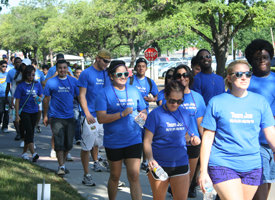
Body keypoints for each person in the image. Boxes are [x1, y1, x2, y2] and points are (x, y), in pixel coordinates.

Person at [198, 60, 275, 200]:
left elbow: (270, 133)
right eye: (239, 74)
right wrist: (203, 171)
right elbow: (207, 139)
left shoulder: (260, 102)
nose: (244, 77)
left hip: (252, 165)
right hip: (223, 162)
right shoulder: (216, 102)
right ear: (229, 77)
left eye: (248, 74)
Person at [95, 60, 147, 200]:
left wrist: (144, 115)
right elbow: (101, 118)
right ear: (111, 76)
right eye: (119, 74)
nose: (123, 76)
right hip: (114, 141)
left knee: (134, 175)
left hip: (134, 138)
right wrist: (121, 114)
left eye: (126, 73)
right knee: (115, 176)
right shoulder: (103, 93)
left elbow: (143, 109)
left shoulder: (134, 90)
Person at [143, 80, 200, 200]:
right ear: (165, 96)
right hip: (159, 164)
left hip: (181, 163)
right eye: (171, 100)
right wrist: (150, 158)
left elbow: (184, 136)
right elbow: (147, 141)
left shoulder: (184, 113)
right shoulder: (155, 114)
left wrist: (192, 140)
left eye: (179, 101)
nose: (175, 104)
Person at [243, 39, 275, 200]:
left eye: (265, 57)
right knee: (259, 191)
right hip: (254, 143)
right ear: (251, 61)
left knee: (267, 184)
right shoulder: (244, 81)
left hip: (273, 144)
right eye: (257, 57)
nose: (262, 60)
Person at [77, 49, 111, 186]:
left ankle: (114, 176)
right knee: (87, 146)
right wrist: (87, 113)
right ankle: (86, 174)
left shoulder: (108, 74)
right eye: (105, 61)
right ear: (97, 58)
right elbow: (82, 95)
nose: (107, 64)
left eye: (109, 62)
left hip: (105, 116)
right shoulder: (86, 74)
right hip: (91, 116)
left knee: (109, 145)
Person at [173, 65, 206, 198]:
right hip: (175, 143)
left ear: (190, 77)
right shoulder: (169, 96)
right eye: (179, 75)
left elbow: (201, 123)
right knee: (177, 177)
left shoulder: (197, 97)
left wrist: (205, 142)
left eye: (185, 75)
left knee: (189, 179)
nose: (182, 78)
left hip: (194, 143)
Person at [43, 60, 79, 175]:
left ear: (67, 69)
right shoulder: (51, 82)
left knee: (68, 144)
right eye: (60, 68)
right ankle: (61, 166)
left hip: (70, 116)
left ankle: (63, 164)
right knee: (59, 142)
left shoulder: (73, 81)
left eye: (64, 68)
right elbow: (46, 99)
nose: (62, 70)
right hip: (56, 116)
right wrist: (45, 115)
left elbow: (79, 96)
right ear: (56, 69)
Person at [127, 57, 159, 170]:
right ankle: (131, 159)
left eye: (143, 66)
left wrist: (151, 100)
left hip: (144, 115)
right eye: (139, 66)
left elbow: (157, 96)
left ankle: (145, 161)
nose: (141, 68)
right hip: (130, 114)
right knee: (132, 137)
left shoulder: (149, 82)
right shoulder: (130, 80)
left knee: (145, 137)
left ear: (146, 68)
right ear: (136, 67)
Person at [14, 65, 43, 162]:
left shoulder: (37, 84)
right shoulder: (21, 85)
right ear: (26, 75)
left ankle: (24, 153)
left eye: (33, 75)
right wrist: (17, 115)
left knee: (30, 133)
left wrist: (39, 98)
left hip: (34, 111)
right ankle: (34, 153)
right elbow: (17, 101)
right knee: (29, 131)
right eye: (29, 75)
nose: (31, 77)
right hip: (24, 112)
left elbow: (41, 96)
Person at [5, 57, 23, 140]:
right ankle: (18, 132)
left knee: (22, 115)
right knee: (14, 115)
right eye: (16, 62)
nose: (18, 64)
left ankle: (23, 131)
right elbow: (8, 86)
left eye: (19, 62)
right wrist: (6, 98)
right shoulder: (11, 72)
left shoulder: (24, 72)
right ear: (13, 63)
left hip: (23, 97)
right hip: (14, 97)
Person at [31, 59, 45, 134]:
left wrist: (42, 94)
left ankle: (37, 123)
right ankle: (32, 123)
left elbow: (43, 83)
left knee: (39, 110)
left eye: (33, 65)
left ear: (36, 65)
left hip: (38, 94)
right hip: (30, 94)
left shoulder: (40, 73)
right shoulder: (28, 73)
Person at [0, 60, 10, 133]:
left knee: (7, 112)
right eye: (3, 66)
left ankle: (5, 127)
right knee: (0, 112)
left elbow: (11, 85)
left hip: (8, 96)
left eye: (6, 66)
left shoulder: (8, 74)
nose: (5, 68)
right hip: (0, 96)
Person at [73, 67, 82, 145]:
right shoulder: (73, 81)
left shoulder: (85, 81)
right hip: (75, 105)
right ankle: (78, 138)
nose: (79, 74)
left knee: (82, 123)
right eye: (77, 72)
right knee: (77, 122)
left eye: (80, 72)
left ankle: (82, 137)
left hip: (83, 106)